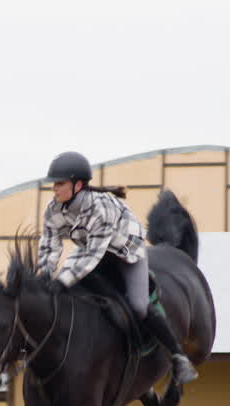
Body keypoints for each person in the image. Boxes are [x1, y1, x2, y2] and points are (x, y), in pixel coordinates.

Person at [37, 151, 197, 385]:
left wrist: (60, 282)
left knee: (138, 306)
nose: (54, 189)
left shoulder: (100, 207)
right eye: (54, 184)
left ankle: (178, 357)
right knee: (68, 296)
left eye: (59, 184)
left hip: (126, 254)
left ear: (77, 185)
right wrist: (44, 277)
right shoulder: (53, 210)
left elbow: (93, 255)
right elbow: (49, 246)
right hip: (93, 250)